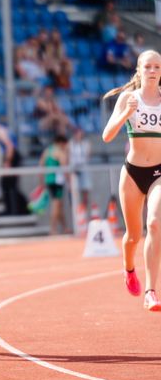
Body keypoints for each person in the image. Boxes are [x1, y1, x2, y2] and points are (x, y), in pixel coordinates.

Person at [102, 49, 161, 311]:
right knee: (133, 236)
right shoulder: (129, 98)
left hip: (159, 172)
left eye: (157, 67)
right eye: (147, 66)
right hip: (133, 173)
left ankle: (151, 290)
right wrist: (126, 114)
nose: (152, 71)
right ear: (139, 70)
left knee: (156, 223)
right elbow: (107, 135)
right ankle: (128, 269)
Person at [0, 116, 27, 215]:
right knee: (10, 185)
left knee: (6, 185)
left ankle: (13, 210)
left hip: (12, 157)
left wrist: (7, 162)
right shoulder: (1, 130)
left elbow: (9, 146)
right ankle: (16, 209)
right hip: (12, 157)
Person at [39, 135, 69, 235]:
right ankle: (53, 229)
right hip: (57, 181)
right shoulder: (59, 151)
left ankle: (64, 228)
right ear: (61, 143)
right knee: (56, 206)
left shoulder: (47, 151)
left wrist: (41, 181)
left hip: (49, 179)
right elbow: (64, 164)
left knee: (59, 205)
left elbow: (41, 164)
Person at [69, 128, 91, 211]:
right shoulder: (71, 143)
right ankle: (76, 211)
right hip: (74, 169)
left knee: (85, 191)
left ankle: (84, 210)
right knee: (74, 192)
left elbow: (87, 155)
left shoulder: (85, 143)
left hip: (83, 169)